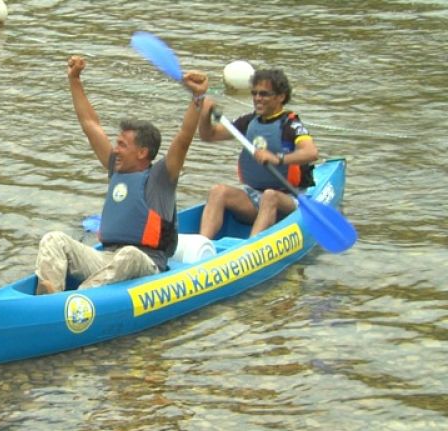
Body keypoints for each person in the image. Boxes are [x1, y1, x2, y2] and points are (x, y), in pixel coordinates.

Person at [34, 55, 209, 295]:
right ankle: (48, 299)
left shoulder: (160, 178)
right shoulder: (116, 167)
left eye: (122, 145)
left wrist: (198, 98)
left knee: (129, 255)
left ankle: (76, 302)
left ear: (142, 152)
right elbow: (89, 123)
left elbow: (183, 138)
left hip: (146, 264)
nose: (115, 149)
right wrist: (74, 79)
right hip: (107, 259)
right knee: (54, 240)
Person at [197, 69, 318, 239]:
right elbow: (208, 135)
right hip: (254, 197)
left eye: (264, 94)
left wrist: (277, 158)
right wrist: (204, 114)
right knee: (218, 191)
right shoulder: (248, 122)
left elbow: (311, 152)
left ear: (281, 97)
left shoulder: (290, 125)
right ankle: (202, 244)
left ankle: (251, 248)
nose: (257, 98)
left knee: (270, 196)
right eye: (254, 93)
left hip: (287, 199)